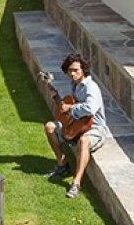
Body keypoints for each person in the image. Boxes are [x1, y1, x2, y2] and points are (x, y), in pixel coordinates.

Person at [43, 52, 110, 199]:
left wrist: (70, 109)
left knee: (84, 141)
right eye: (69, 70)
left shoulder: (91, 87)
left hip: (95, 129)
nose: (72, 73)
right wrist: (57, 99)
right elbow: (68, 108)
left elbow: (90, 108)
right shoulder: (75, 85)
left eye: (75, 70)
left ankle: (76, 183)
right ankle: (62, 165)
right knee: (49, 126)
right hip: (77, 126)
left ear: (83, 70)